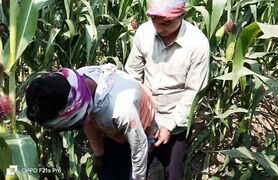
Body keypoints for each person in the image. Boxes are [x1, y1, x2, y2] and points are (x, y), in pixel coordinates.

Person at [25, 64, 157, 180]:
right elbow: (89, 122)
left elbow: (139, 146)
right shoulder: (79, 85)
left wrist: (137, 177)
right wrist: (99, 154)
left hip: (142, 131)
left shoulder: (121, 109)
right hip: (113, 132)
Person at [125, 0, 210, 179]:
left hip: (176, 122)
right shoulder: (144, 32)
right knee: (134, 171)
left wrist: (169, 126)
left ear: (182, 15)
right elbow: (132, 74)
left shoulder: (197, 44)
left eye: (166, 23)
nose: (159, 27)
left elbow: (193, 92)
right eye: (155, 20)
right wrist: (138, 115)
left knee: (173, 174)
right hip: (144, 122)